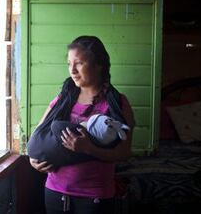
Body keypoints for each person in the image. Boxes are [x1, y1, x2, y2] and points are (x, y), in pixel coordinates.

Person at [29, 35, 135, 214]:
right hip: (55, 192)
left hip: (94, 197)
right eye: (69, 64)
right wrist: (33, 160)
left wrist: (89, 149)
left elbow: (124, 153)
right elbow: (38, 134)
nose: (72, 70)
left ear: (98, 64)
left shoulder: (117, 103)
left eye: (79, 63)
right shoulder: (62, 99)